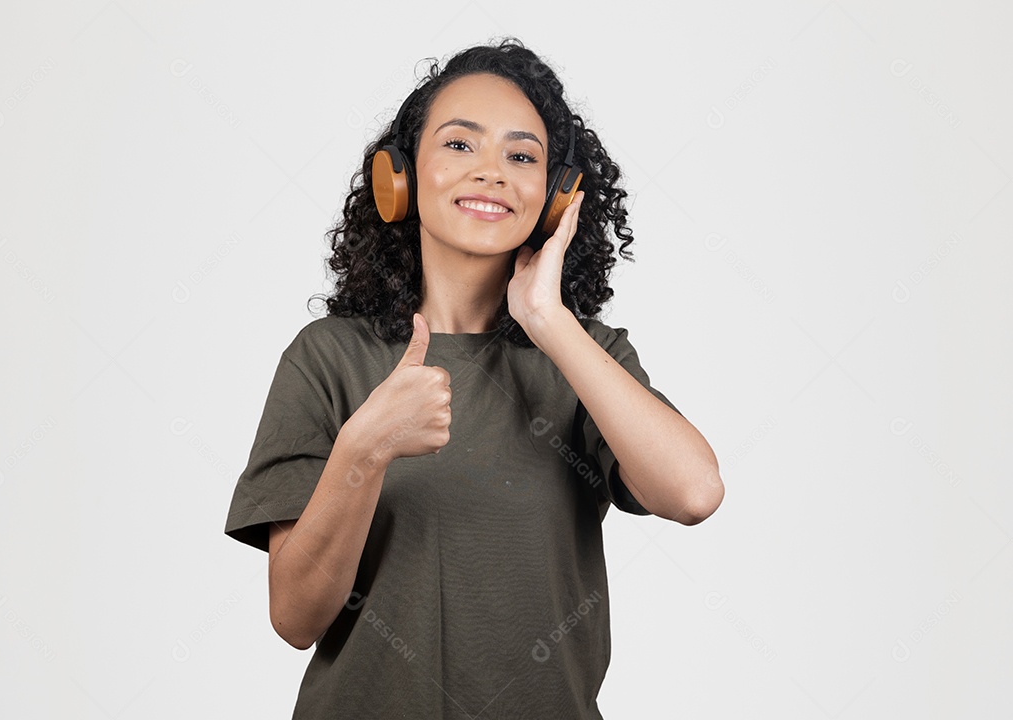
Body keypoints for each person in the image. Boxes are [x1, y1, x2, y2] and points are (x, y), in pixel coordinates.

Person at [224, 38, 723, 719]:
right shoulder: (328, 359)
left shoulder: (584, 356)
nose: (492, 172)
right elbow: (296, 617)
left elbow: (694, 492)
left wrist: (548, 320)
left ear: (554, 199)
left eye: (521, 156)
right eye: (461, 145)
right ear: (398, 177)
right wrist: (364, 450)